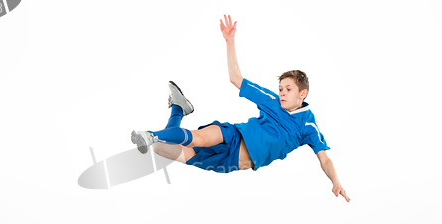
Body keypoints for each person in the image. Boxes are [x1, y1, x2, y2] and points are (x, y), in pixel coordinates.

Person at [131, 15, 350, 202]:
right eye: (281, 88)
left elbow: (325, 159)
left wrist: (336, 181)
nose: (282, 92)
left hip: (231, 161)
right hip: (234, 134)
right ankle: (150, 134)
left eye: (288, 89)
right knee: (196, 138)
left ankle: (178, 109)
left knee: (161, 149)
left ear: (302, 94)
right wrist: (229, 41)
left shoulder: (308, 125)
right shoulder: (271, 100)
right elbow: (236, 79)